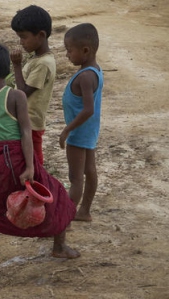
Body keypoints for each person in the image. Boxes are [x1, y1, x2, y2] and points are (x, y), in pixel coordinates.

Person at [0, 39, 79, 282]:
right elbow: (25, 132)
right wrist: (31, 166)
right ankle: (59, 246)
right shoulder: (17, 96)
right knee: (56, 195)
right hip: (19, 159)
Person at [60, 23, 103, 223]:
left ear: (85, 50)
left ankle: (65, 219)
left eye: (69, 50)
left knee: (75, 179)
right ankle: (84, 211)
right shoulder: (94, 70)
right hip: (89, 131)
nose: (67, 55)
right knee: (90, 170)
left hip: (78, 133)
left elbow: (88, 109)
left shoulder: (85, 76)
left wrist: (67, 130)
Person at [10, 5, 56, 166]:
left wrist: (16, 65)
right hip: (26, 121)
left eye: (23, 37)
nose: (21, 42)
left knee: (34, 160)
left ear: (41, 35)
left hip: (31, 123)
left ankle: (38, 185)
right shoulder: (37, 59)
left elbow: (23, 93)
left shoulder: (43, 64)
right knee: (27, 158)